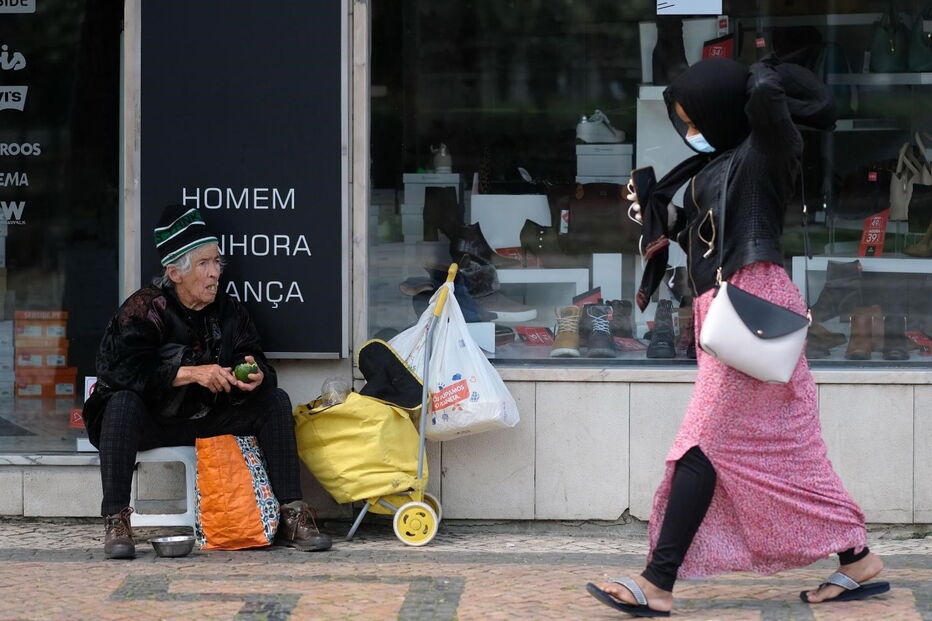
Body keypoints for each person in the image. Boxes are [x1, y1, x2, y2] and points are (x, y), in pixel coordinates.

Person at [586, 58, 889, 617]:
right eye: (682, 122)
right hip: (731, 310)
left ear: (726, 111)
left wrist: (760, 76)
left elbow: (780, 103)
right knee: (789, 447)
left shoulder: (764, 151)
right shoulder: (723, 162)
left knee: (701, 441)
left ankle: (657, 582)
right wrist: (661, 220)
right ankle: (858, 560)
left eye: (693, 118)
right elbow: (708, 239)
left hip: (752, 305)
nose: (689, 131)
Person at [82, 204, 332, 559]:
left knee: (274, 400)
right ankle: (116, 520)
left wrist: (256, 374)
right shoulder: (145, 308)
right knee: (120, 402)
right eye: (204, 264)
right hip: (152, 421)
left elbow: (254, 356)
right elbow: (119, 369)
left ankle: (291, 514)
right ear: (175, 272)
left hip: (208, 419)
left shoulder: (229, 311)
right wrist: (191, 373)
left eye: (217, 262)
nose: (215, 273)